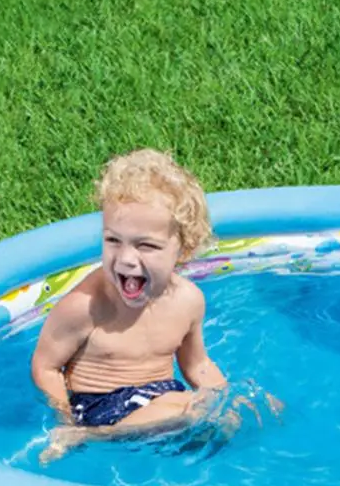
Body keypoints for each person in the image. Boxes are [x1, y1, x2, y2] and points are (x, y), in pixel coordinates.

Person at [31, 148, 230, 462]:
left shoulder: (188, 300)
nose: (125, 258)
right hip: (101, 409)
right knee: (188, 408)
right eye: (113, 240)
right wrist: (64, 420)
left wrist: (228, 399)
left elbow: (197, 365)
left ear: (184, 250)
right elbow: (46, 366)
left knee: (225, 421)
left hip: (162, 397)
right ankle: (87, 438)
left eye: (146, 245)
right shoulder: (84, 306)